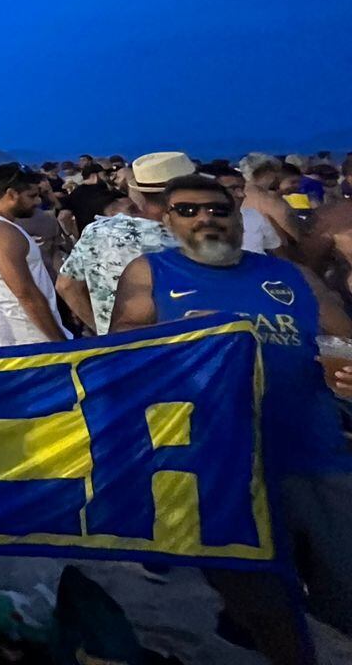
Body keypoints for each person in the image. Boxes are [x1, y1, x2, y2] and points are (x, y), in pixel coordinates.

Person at [111, 174, 352, 665]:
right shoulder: (150, 273)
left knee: (342, 589)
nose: (205, 220)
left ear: (236, 216)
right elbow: (121, 351)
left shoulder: (290, 277)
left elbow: (343, 341)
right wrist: (171, 340)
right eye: (189, 210)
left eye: (217, 210)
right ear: (168, 218)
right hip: (220, 466)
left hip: (313, 451)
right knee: (262, 604)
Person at [56, 152, 189, 335]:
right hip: (185, 350)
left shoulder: (99, 231)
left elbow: (66, 286)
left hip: (120, 351)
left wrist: (102, 331)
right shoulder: (186, 239)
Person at [0, 165, 67, 345]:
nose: (37, 202)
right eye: (32, 196)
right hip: (29, 337)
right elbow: (25, 293)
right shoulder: (1, 232)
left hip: (16, 333)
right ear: (11, 194)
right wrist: (59, 342)